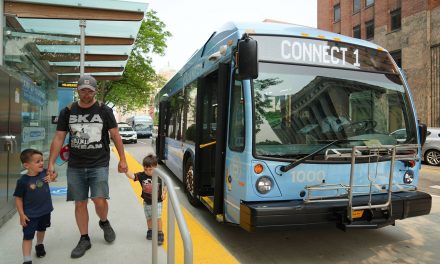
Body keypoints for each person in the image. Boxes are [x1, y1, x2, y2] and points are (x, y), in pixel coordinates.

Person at [48, 75, 128, 259]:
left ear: (94, 91)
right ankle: (84, 238)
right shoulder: (67, 111)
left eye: (90, 90)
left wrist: (123, 159)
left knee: (99, 200)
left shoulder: (104, 110)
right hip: (75, 165)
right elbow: (59, 137)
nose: (86, 94)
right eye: (83, 90)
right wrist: (50, 163)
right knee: (80, 202)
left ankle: (104, 222)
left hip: (99, 163)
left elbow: (115, 135)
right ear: (78, 90)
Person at [14, 149, 57, 264]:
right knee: (28, 237)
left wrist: (52, 177)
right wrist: (21, 214)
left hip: (45, 211)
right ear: (26, 165)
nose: (42, 163)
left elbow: (54, 174)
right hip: (30, 215)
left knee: (42, 229)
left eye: (42, 160)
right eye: (38, 161)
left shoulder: (44, 173)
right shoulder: (23, 181)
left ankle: (39, 244)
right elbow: (18, 198)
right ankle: (27, 260)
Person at [124, 154, 167, 245]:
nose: (148, 172)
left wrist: (164, 193)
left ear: (156, 167)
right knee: (149, 218)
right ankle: (150, 230)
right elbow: (132, 176)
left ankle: (160, 232)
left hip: (157, 201)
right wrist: (125, 170)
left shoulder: (159, 176)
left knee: (157, 218)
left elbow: (166, 184)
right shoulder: (142, 175)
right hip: (146, 202)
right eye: (145, 169)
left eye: (150, 169)